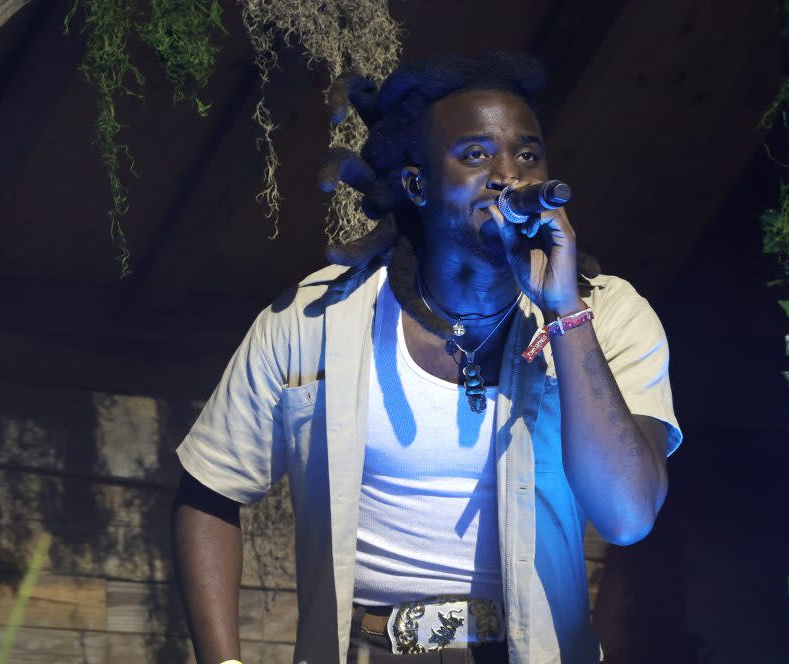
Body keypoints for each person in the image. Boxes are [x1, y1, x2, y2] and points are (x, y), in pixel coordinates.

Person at [171, 52, 682, 664]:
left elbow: (628, 516)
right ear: (416, 185)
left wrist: (565, 312)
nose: (507, 175)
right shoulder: (314, 320)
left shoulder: (610, 315)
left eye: (527, 154)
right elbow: (208, 491)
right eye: (474, 155)